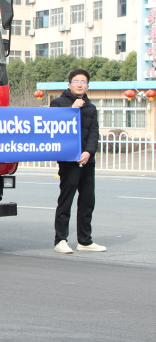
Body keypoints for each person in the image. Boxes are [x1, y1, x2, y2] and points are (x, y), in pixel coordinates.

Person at [50, 68, 106, 254]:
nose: (80, 84)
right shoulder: (58, 104)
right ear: (69, 84)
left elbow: (93, 133)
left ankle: (85, 240)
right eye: (76, 81)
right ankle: (61, 240)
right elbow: (54, 126)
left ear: (88, 86)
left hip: (86, 161)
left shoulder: (91, 107)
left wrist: (89, 152)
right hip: (68, 160)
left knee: (87, 201)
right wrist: (70, 111)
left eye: (83, 81)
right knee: (66, 199)